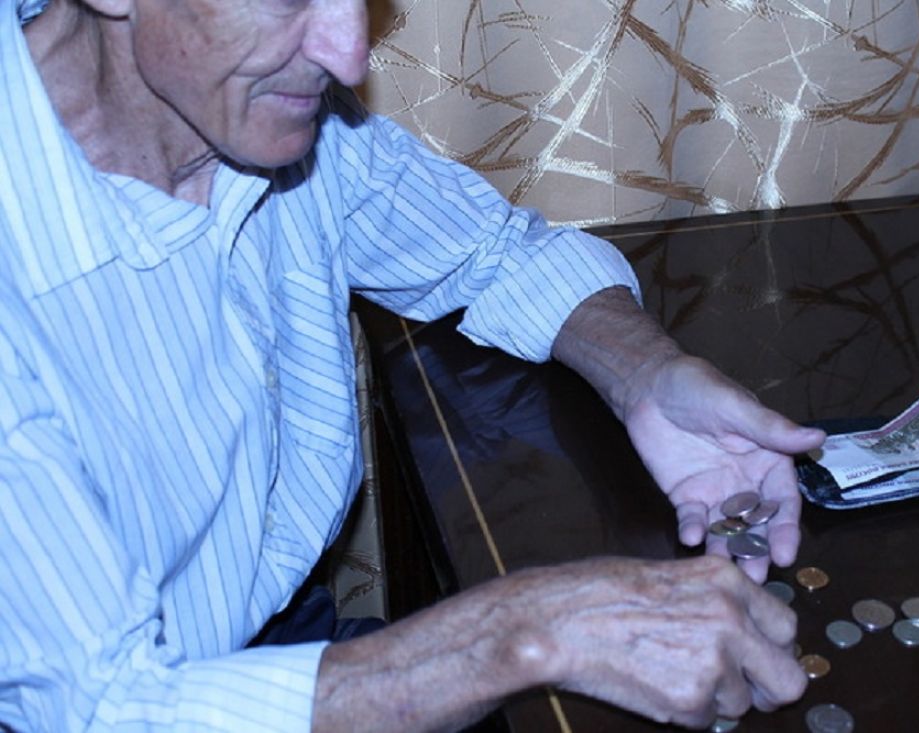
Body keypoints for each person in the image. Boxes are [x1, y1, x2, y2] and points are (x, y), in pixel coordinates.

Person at [0, 0, 826, 730]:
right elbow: (101, 710)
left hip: (276, 641)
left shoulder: (257, 115)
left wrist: (645, 373)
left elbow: (493, 252)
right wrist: (527, 630)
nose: (349, 55)